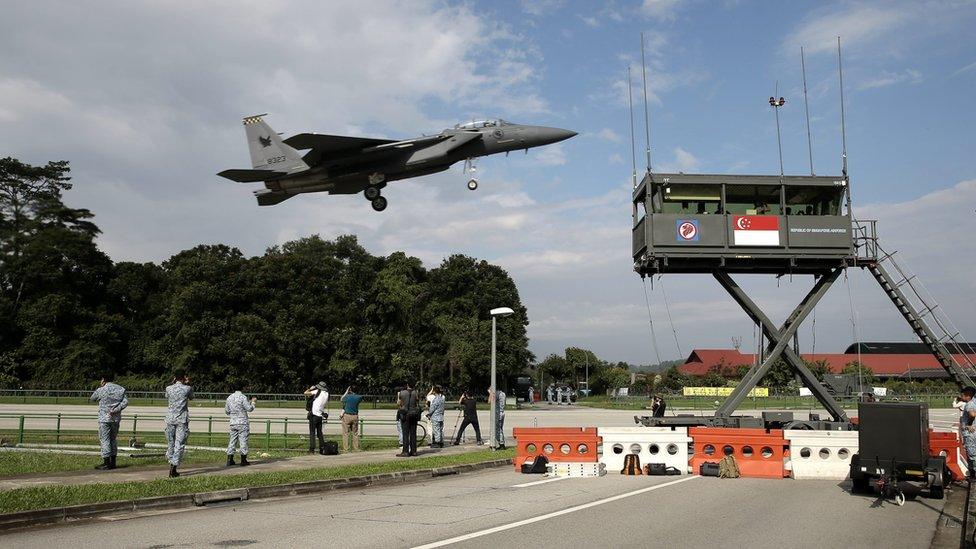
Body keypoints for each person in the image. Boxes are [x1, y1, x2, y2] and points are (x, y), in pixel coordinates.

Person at [89, 372, 128, 470]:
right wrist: (116, 409)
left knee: (105, 439)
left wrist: (101, 389)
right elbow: (125, 402)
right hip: (115, 418)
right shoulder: (120, 389)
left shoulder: (101, 390)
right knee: (113, 439)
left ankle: (106, 462)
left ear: (103, 379)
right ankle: (113, 461)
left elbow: (92, 398)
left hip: (104, 419)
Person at [164, 372, 193, 478]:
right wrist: (188, 384)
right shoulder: (187, 388)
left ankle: (171, 461)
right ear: (184, 378)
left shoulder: (168, 388)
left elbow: (167, 397)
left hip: (170, 419)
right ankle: (173, 466)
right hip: (181, 419)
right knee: (179, 444)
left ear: (175, 377)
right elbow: (191, 397)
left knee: (170, 443)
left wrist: (173, 383)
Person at [224, 387, 255, 466]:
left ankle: (229, 459)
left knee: (232, 440)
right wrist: (253, 402)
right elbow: (249, 409)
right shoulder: (243, 397)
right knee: (243, 440)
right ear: (242, 388)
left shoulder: (229, 397)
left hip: (233, 422)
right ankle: (243, 460)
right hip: (242, 422)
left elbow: (227, 411)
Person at [303, 382, 329, 454]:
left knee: (312, 433)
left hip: (314, 415)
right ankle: (322, 448)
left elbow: (305, 393)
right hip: (320, 415)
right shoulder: (326, 394)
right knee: (319, 433)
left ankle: (312, 450)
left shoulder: (317, 391)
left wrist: (310, 389)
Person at [397, 381, 421, 456]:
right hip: (414, 414)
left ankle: (405, 451)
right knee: (413, 433)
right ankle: (414, 451)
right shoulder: (416, 392)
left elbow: (399, 403)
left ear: (407, 385)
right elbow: (417, 403)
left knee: (405, 433)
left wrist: (398, 397)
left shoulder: (402, 393)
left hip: (405, 414)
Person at [959, 387, 976, 479]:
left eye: (963, 395)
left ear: (968, 396)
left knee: (971, 454)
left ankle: (974, 475)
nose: (961, 396)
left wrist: (969, 424)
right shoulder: (975, 401)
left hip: (970, 433)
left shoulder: (969, 404)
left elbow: (972, 414)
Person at [340, 385, 363, 452]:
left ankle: (346, 449)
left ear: (350, 390)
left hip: (347, 416)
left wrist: (346, 392)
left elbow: (341, 399)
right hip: (355, 416)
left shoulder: (347, 397)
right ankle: (356, 448)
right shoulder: (359, 397)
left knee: (345, 433)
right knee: (355, 433)